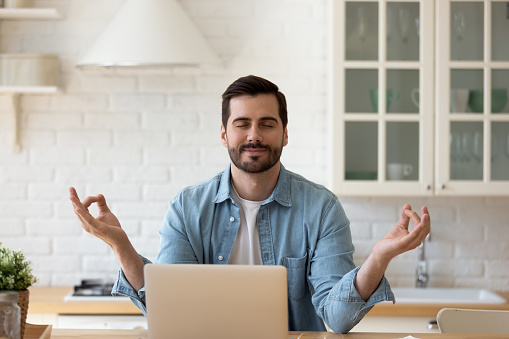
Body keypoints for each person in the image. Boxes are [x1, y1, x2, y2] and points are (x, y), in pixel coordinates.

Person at [69, 75, 430, 333]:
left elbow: (336, 319)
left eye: (267, 124)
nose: (254, 135)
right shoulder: (187, 206)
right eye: (242, 124)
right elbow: (169, 308)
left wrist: (379, 257)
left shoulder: (321, 208)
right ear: (224, 133)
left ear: (285, 134)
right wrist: (121, 245)